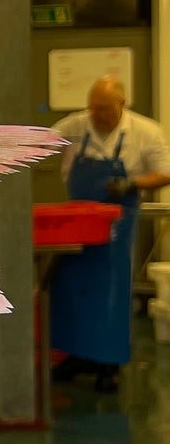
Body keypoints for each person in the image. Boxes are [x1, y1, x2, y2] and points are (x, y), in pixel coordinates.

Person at [53, 74, 170, 391]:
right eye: (92, 108)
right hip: (78, 221)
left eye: (103, 109)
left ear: (122, 104)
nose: (96, 115)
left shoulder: (145, 131)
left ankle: (109, 362)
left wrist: (133, 184)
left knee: (112, 291)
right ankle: (78, 355)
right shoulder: (76, 126)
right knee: (74, 287)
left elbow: (165, 172)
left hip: (119, 221)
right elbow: (41, 143)